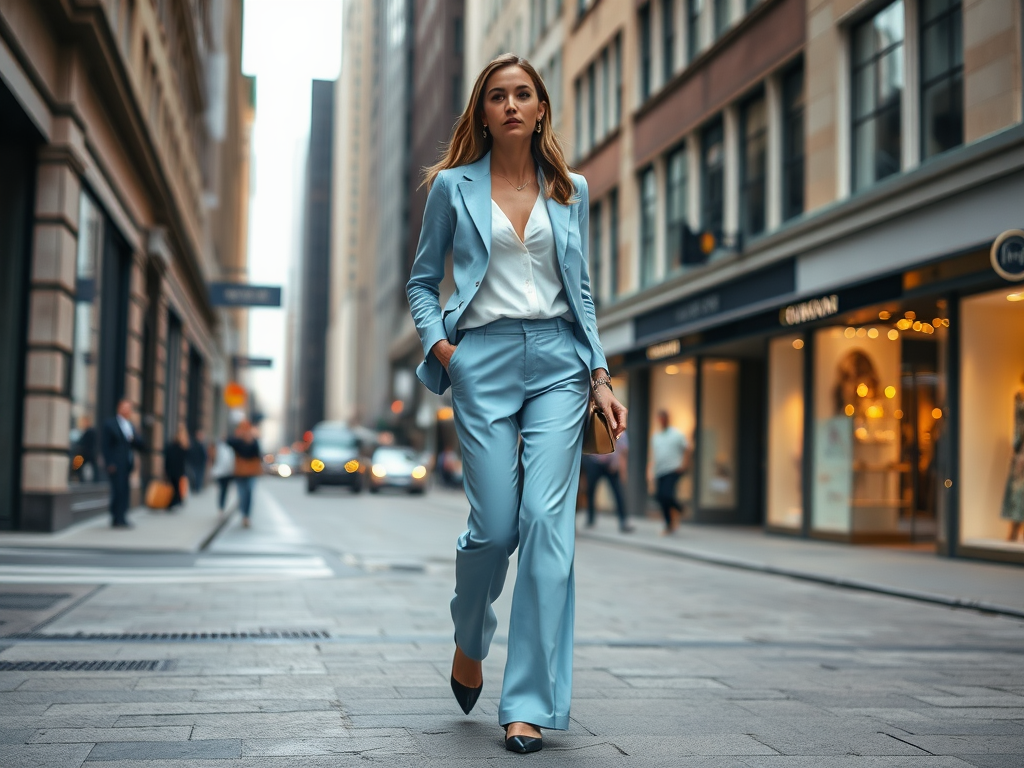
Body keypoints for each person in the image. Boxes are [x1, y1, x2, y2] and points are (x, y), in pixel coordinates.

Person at [407, 53, 627, 753]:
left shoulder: (572, 191)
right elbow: (422, 283)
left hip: (560, 364)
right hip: (484, 360)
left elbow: (582, 291)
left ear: (539, 111)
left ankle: (527, 702)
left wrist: (599, 373)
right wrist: (446, 352)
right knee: (495, 529)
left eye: (522, 94)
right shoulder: (451, 187)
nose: (509, 105)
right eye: (496, 96)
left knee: (545, 524)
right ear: (483, 112)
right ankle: (469, 636)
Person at [101, 398, 146, 528]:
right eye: (124, 407)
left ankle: (122, 517)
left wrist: (136, 437)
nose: (127, 410)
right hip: (115, 464)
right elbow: (105, 446)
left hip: (127, 464)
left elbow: (138, 445)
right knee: (118, 490)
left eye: (129, 408)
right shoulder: (110, 424)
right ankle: (117, 517)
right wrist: (109, 462)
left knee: (125, 490)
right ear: (119, 408)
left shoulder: (130, 426)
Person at [584, 430, 633, 532]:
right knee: (591, 491)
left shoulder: (619, 430)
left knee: (617, 493)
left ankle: (623, 520)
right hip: (595, 462)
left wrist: (621, 469)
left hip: (611, 466)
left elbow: (623, 451)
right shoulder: (597, 423)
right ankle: (590, 518)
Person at [650, 410, 690, 535]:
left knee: (667, 495)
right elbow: (653, 455)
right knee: (660, 497)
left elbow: (688, 449)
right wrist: (650, 471)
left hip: (672, 469)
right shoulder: (656, 437)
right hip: (659, 470)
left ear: (667, 419)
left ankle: (679, 509)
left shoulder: (676, 434)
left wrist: (684, 465)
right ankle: (669, 523)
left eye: (663, 418)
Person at [227, 420, 262, 528]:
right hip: (240, 472)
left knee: (249, 493)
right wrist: (239, 437)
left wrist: (251, 439)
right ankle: (244, 515)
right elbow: (229, 442)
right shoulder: (237, 440)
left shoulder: (254, 441)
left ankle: (246, 516)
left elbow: (257, 453)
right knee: (242, 494)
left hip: (251, 472)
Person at [163, 425, 190, 510]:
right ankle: (173, 502)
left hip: (177, 470)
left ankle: (174, 502)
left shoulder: (183, 446)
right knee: (174, 487)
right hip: (174, 470)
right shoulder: (174, 446)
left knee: (176, 487)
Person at [210, 436, 235, 513]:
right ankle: (221, 506)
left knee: (223, 490)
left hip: (225, 473)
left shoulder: (226, 449)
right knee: (223, 490)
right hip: (223, 473)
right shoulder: (226, 449)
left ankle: (221, 507)